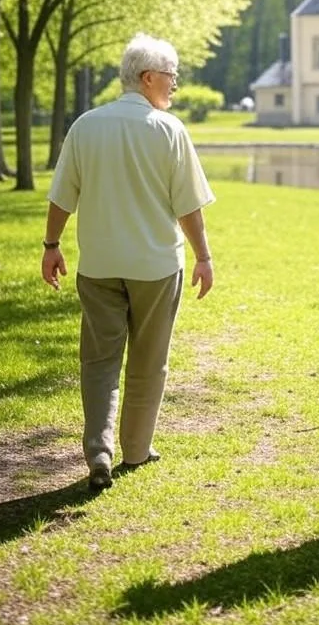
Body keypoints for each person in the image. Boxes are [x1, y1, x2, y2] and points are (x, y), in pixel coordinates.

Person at [41, 33, 215, 491]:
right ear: (148, 77)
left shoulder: (86, 126)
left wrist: (51, 245)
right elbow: (188, 207)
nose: (175, 85)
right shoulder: (169, 130)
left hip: (98, 264)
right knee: (148, 360)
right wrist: (203, 255)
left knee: (99, 360)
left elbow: (62, 196)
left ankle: (99, 450)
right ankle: (136, 450)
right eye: (171, 76)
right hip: (156, 268)